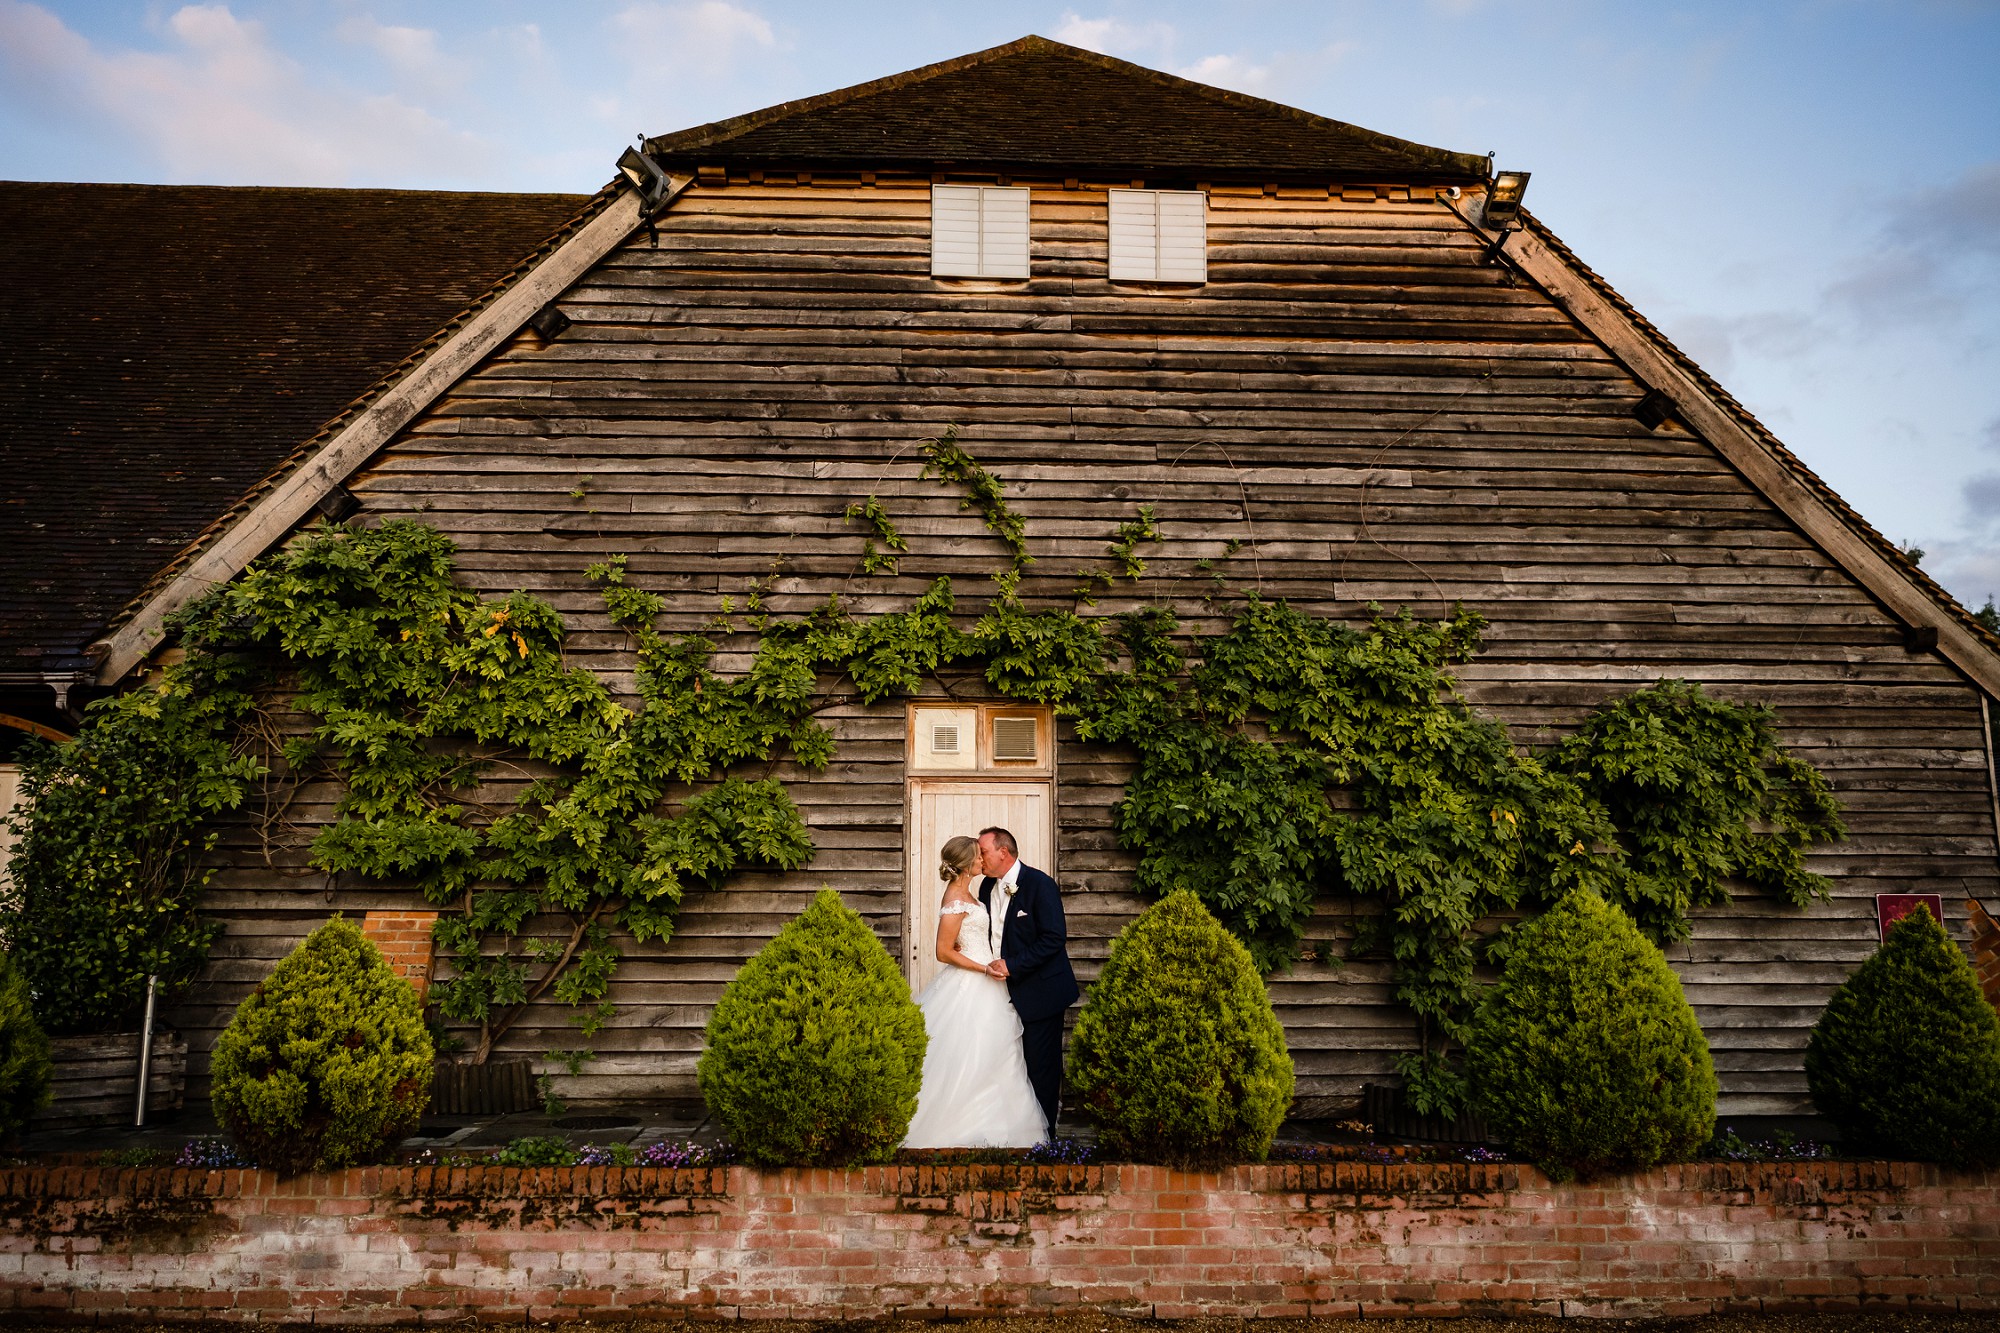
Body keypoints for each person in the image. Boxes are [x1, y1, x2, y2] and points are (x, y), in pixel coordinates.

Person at [901, 835, 1048, 1148]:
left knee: (997, 1054)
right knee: (967, 1052)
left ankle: (1002, 1128)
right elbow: (943, 951)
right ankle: (956, 1127)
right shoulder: (955, 898)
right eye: (978, 856)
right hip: (972, 982)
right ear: (968, 864)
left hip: (990, 982)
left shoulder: (975, 892)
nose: (983, 859)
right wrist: (982, 968)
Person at [976, 825, 1079, 1138]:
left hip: (1042, 992)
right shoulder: (986, 886)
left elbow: (1054, 938)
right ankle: (1016, 1133)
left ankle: (1045, 1138)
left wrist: (1012, 965)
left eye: (983, 852)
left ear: (1003, 852)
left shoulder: (1040, 884)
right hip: (1000, 993)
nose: (979, 858)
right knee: (1009, 1065)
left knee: (1041, 1067)